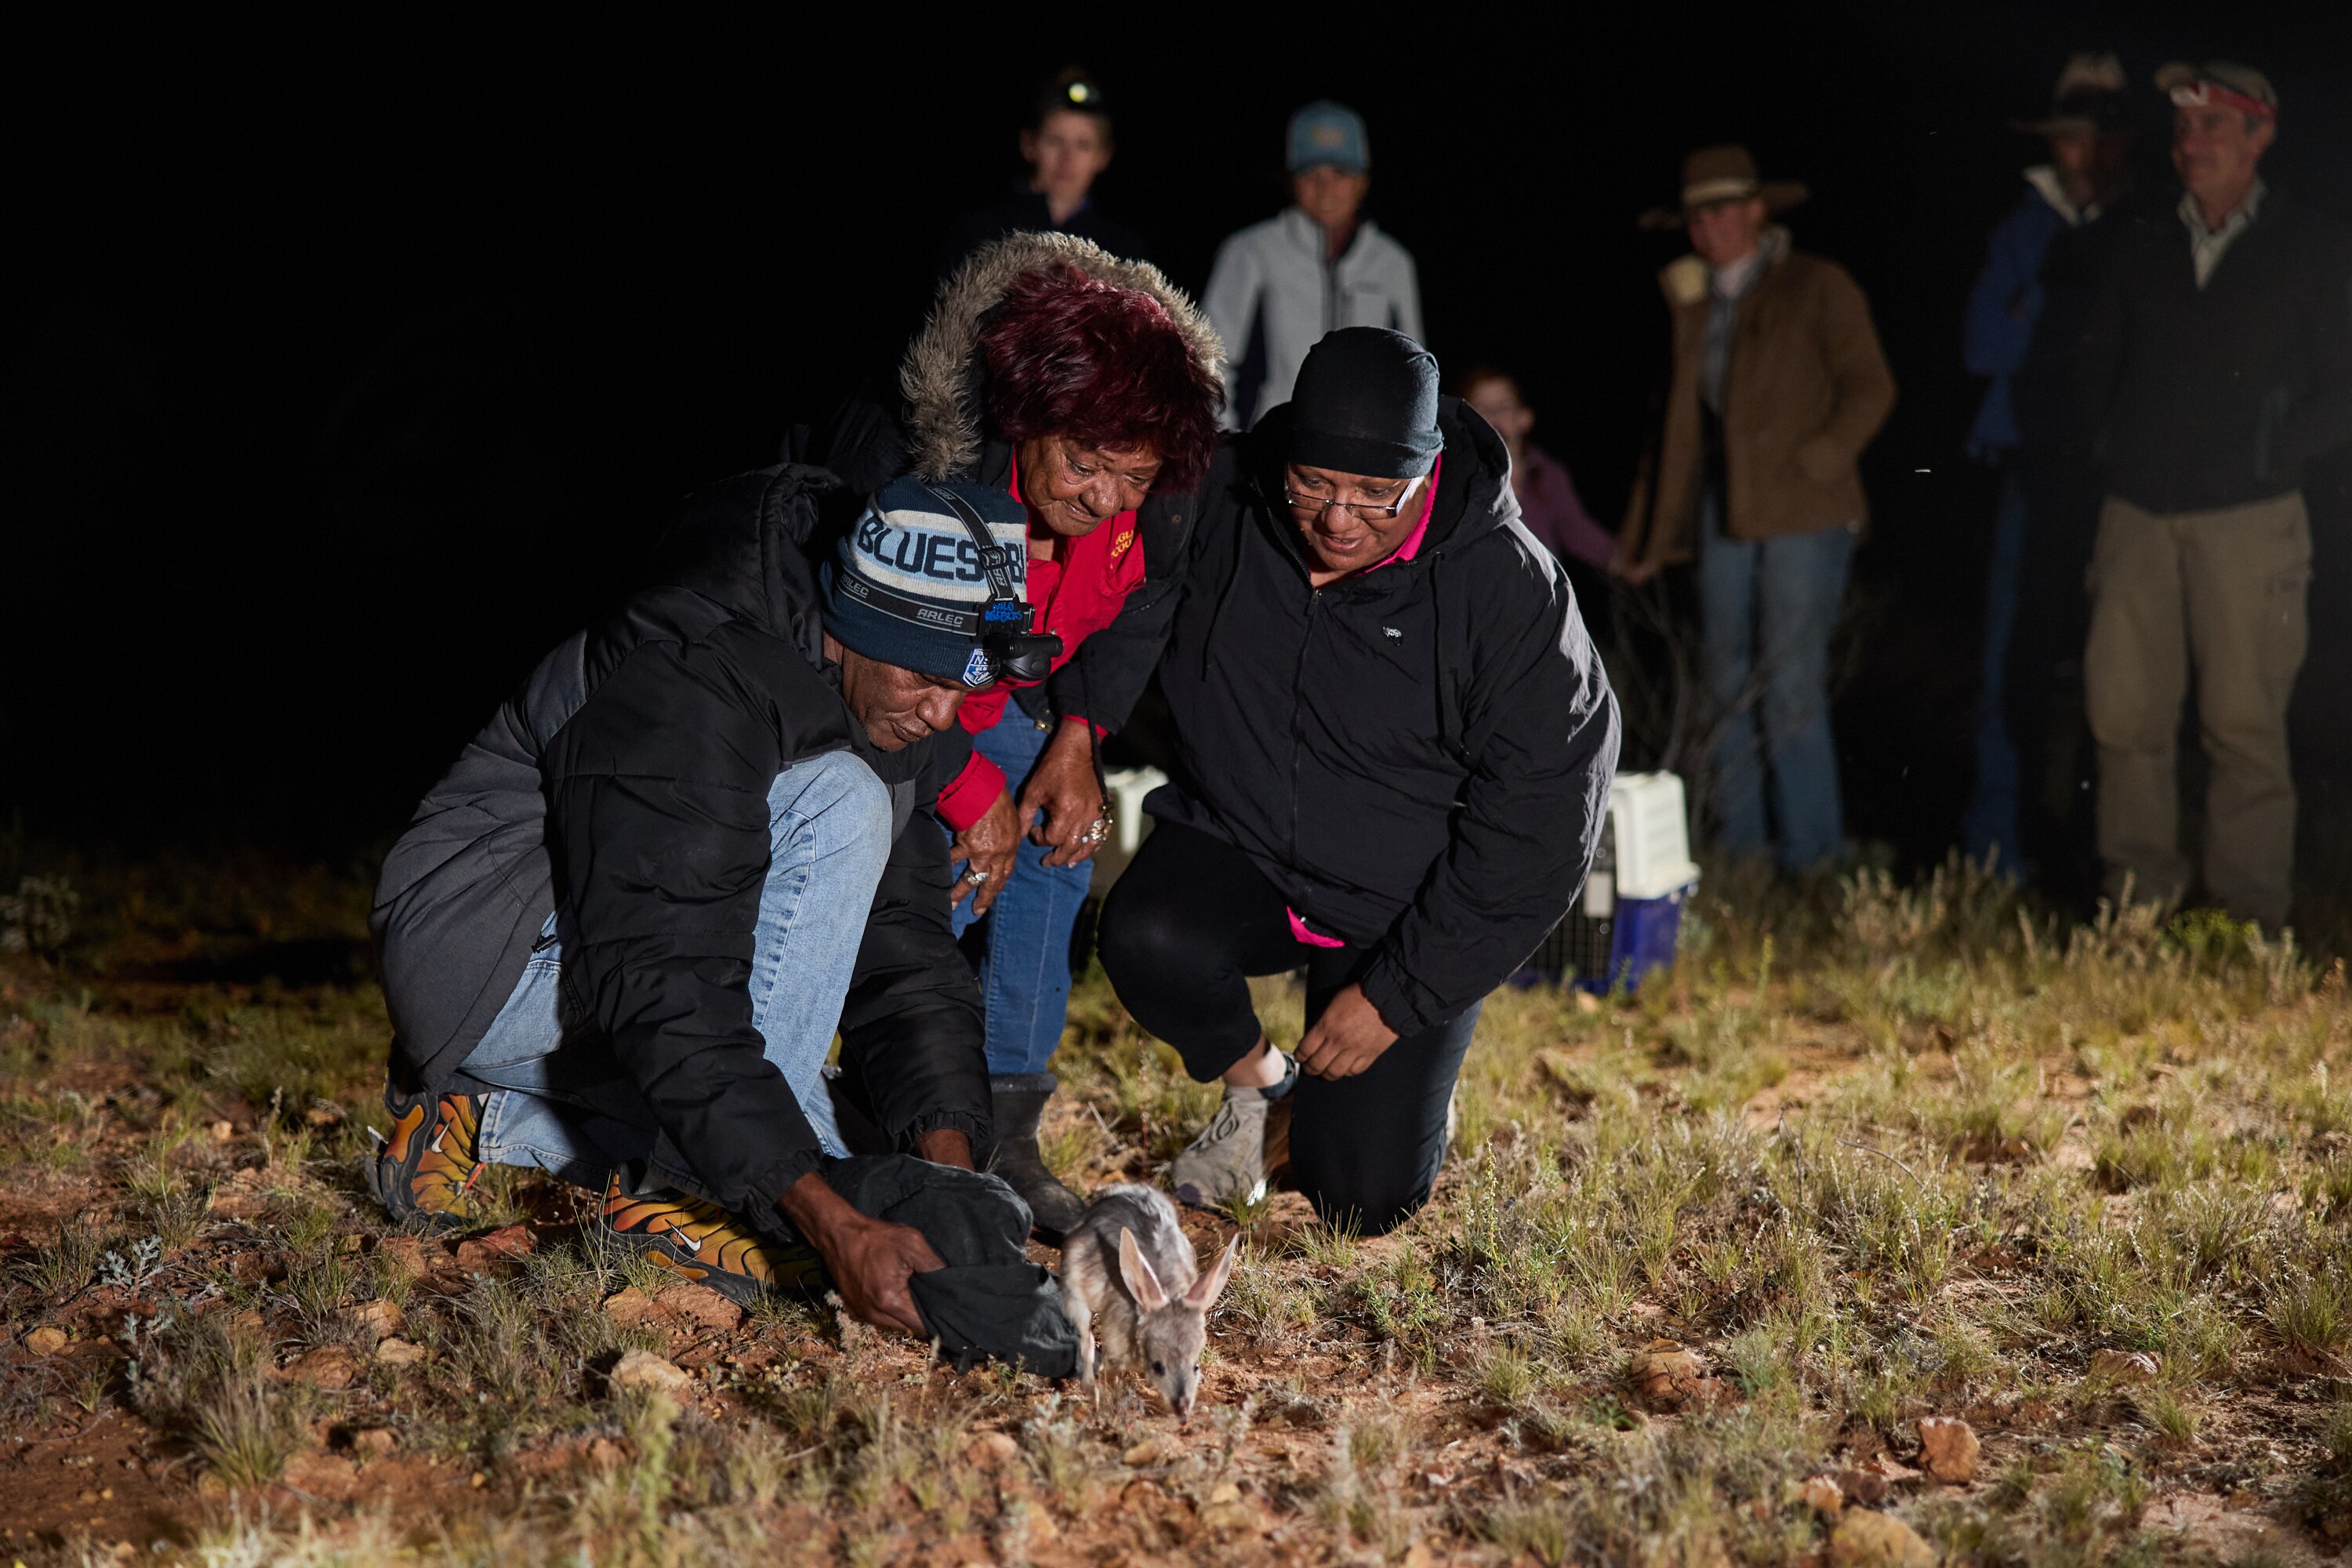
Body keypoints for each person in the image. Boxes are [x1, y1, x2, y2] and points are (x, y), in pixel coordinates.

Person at [368, 471, 1051, 1334]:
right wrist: (818, 1217)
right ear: (856, 622)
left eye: (964, 686)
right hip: (484, 957)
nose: (942, 714)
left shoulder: (885, 705)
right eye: (924, 677)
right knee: (843, 802)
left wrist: (952, 1176)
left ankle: (488, 1114)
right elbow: (667, 976)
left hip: (605, 982)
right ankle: (684, 1201)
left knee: (897, 1170)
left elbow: (906, 957)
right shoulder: (691, 671)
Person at [1098, 328, 1620, 1233]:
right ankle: (1260, 1091)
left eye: (1377, 495)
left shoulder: (1508, 591)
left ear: (1424, 475)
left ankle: (1392, 1099)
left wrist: (1398, 997)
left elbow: (1543, 824)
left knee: (1359, 1198)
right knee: (1147, 935)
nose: (1339, 520)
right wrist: (1078, 725)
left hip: (1400, 902)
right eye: (1315, 485)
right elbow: (1119, 584)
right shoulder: (1227, 495)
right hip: (1245, 840)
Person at [803, 233, 1224, 1240]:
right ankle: (879, 1085)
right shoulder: (918, 463)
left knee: (1060, 842)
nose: (1107, 500)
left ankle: (1004, 1122)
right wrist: (962, 785)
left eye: (1133, 478)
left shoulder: (1150, 489)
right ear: (1027, 418)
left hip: (1018, 688)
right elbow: (873, 663)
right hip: (889, 690)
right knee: (946, 858)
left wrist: (1080, 738)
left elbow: (1142, 605)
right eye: (1085, 466)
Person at [2075, 62, 2351, 930]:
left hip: (2252, 521)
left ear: (2260, 136)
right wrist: (2110, 454)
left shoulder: (2312, 245)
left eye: (2214, 127)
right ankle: (2136, 908)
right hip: (2138, 518)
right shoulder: (2142, 237)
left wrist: (2275, 453)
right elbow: (2096, 367)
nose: (2192, 143)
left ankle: (2247, 920)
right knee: (2125, 719)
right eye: (2183, 127)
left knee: (2244, 728)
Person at [1613, 146, 1896, 872]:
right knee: (1724, 680)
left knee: (1791, 681)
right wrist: (1648, 531)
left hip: (1806, 512)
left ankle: (1814, 858)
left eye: (1724, 208)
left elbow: (1871, 386)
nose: (1710, 224)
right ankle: (1743, 855)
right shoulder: (1693, 299)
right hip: (1725, 511)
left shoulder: (1815, 284)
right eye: (1697, 213)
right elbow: (1671, 424)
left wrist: (1820, 460)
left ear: (1757, 209)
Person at [1960, 54, 2134, 877]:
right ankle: (1997, 854)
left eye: (2099, 139)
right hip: (2028, 467)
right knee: (2009, 666)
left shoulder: (2147, 226)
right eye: (2071, 140)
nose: (2084, 155)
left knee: (2115, 669)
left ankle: (2102, 861)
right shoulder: (2023, 225)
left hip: (2117, 478)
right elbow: (1982, 343)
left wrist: (2044, 314)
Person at [1202, 102, 1423, 431]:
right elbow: (1210, 356)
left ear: (1363, 181)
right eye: (1311, 174)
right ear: (1292, 181)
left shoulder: (1392, 262)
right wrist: (1226, 442)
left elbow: (1416, 372)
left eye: (1341, 174)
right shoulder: (1251, 250)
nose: (1326, 188)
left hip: (1364, 452)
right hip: (1269, 446)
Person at [943, 69, 1148, 274]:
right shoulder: (980, 233)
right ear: (1028, 144)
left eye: (1083, 145)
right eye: (1055, 141)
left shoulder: (1122, 252)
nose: (1067, 158)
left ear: (1103, 156)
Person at [1461, 367, 1617, 572]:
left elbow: (1577, 531)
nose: (1494, 416)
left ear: (1525, 418)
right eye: (1482, 408)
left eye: (1504, 406)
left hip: (1542, 593)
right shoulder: (1459, 479)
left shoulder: (1545, 474)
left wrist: (1621, 560)